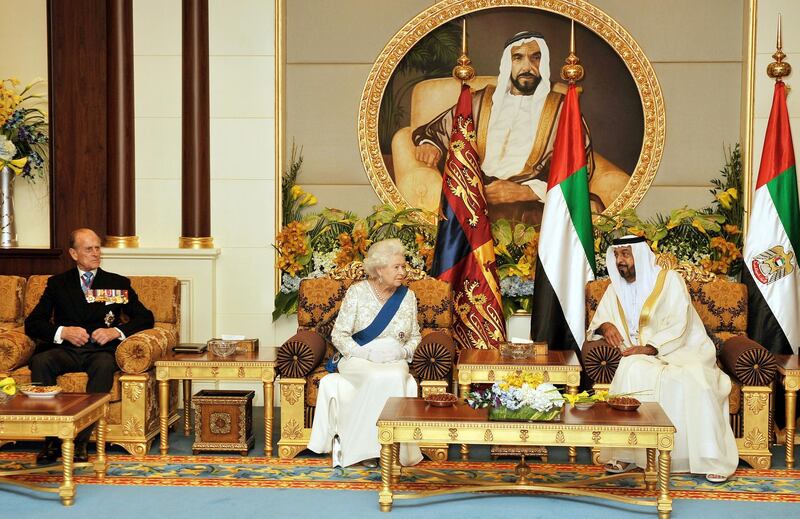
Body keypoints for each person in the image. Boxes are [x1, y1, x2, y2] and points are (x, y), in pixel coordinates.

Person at [411, 31, 629, 224]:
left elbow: (579, 168)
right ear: (508, 64)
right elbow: (440, 130)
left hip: (535, 201)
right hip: (479, 192)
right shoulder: (480, 101)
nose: (527, 67)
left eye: (536, 58)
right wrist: (431, 145)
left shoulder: (562, 110)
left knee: (584, 210)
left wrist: (527, 192)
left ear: (543, 63)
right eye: (518, 58)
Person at [586, 235, 739, 483]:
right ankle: (628, 453)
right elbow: (599, 321)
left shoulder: (669, 281)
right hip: (637, 353)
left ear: (641, 256)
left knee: (694, 379)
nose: (620, 261)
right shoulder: (615, 288)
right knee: (631, 368)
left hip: (682, 350)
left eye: (625, 254)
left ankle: (711, 458)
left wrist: (650, 348)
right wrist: (605, 326)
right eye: (616, 255)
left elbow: (681, 323)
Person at [25, 228, 154, 465]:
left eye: (97, 248)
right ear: (74, 253)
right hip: (66, 350)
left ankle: (80, 441)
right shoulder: (57, 284)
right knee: (41, 362)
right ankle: (52, 440)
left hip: (100, 351)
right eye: (88, 249)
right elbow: (33, 323)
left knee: (104, 365)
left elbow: (146, 318)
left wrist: (115, 331)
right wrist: (63, 332)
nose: (95, 253)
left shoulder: (117, 283)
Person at [307, 239, 423, 468]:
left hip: (394, 358)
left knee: (393, 376)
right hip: (358, 357)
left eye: (403, 266)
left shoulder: (407, 296)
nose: (403, 271)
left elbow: (416, 336)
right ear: (379, 270)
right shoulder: (357, 293)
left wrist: (402, 351)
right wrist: (367, 353)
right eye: (396, 267)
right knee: (374, 376)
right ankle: (366, 451)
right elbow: (339, 335)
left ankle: (392, 449)